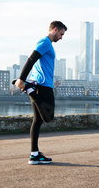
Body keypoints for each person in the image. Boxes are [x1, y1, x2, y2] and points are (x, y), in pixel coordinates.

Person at [15, 21, 67, 164]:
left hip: (38, 84)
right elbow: (31, 59)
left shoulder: (45, 43)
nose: (61, 37)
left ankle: (34, 155)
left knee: (37, 121)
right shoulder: (45, 43)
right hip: (42, 86)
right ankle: (30, 90)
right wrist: (22, 79)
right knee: (48, 117)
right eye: (61, 34)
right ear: (55, 30)